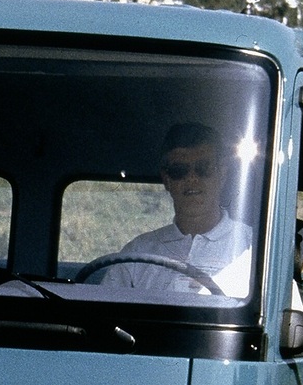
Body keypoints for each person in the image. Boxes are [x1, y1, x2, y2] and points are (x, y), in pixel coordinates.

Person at [96, 121, 256, 299]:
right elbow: (106, 317)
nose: (192, 179)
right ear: (166, 179)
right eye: (179, 171)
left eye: (204, 168)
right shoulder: (136, 253)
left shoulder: (253, 248)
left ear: (223, 173)